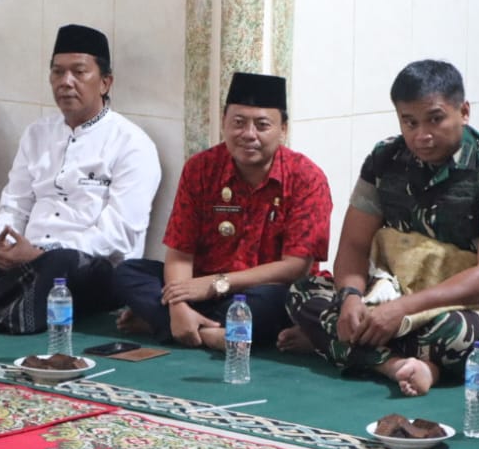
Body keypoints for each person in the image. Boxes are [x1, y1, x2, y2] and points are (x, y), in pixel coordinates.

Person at [283, 60, 479, 397]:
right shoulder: (384, 159)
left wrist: (401, 310)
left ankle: (336, 343)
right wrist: (350, 299)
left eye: (435, 119)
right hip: (393, 292)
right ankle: (396, 364)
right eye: (409, 122)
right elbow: (355, 244)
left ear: (464, 112)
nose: (422, 135)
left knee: (459, 337)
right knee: (303, 292)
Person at [0, 24, 162, 333]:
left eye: (79, 72)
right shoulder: (37, 134)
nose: (66, 82)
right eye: (58, 72)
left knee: (59, 266)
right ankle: (5, 300)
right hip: (25, 256)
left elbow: (116, 236)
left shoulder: (133, 144)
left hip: (87, 266)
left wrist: (41, 254)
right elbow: (13, 208)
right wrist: (1, 242)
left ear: (105, 82)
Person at [113, 72, 331, 350]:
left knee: (274, 302)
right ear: (224, 122)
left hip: (262, 292)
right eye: (238, 122)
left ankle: (168, 325)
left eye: (262, 125)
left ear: (283, 129)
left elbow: (295, 267)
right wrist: (179, 305)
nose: (249, 134)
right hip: (202, 289)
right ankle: (206, 330)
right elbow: (180, 253)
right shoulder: (200, 168)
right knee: (128, 272)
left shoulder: (307, 178)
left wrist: (218, 284)